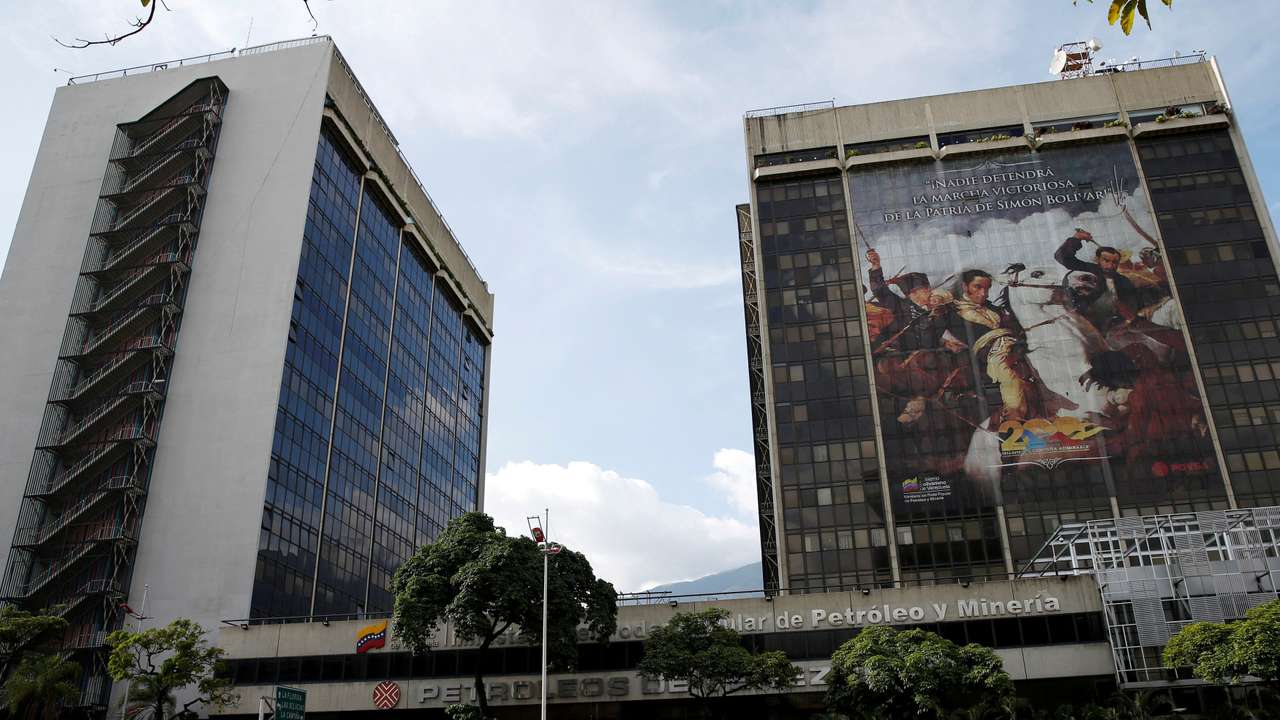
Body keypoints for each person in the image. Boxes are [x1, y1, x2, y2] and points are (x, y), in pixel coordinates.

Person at [946, 269, 1039, 421]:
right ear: (964, 287)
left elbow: (1017, 326)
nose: (984, 293)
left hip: (1014, 341)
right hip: (987, 349)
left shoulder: (995, 309)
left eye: (987, 288)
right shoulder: (951, 310)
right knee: (1003, 369)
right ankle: (1014, 413)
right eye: (978, 287)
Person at [1054, 228, 1138, 332]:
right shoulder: (1088, 270)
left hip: (1116, 328)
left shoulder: (1123, 281)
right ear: (1098, 260)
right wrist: (1077, 238)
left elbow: (1133, 305)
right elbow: (1061, 257)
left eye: (1115, 262)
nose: (1110, 266)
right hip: (1085, 325)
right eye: (1106, 261)